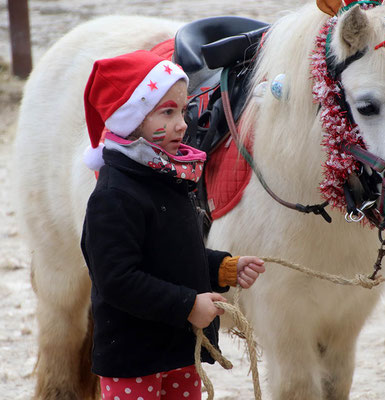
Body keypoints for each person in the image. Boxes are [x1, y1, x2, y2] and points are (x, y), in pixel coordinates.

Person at [81, 50, 265, 400]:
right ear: (130, 121)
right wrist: (187, 306)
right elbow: (116, 280)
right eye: (167, 112)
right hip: (134, 356)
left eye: (182, 110)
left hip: (179, 347)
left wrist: (222, 268)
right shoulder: (114, 195)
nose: (182, 123)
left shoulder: (170, 178)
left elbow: (174, 254)